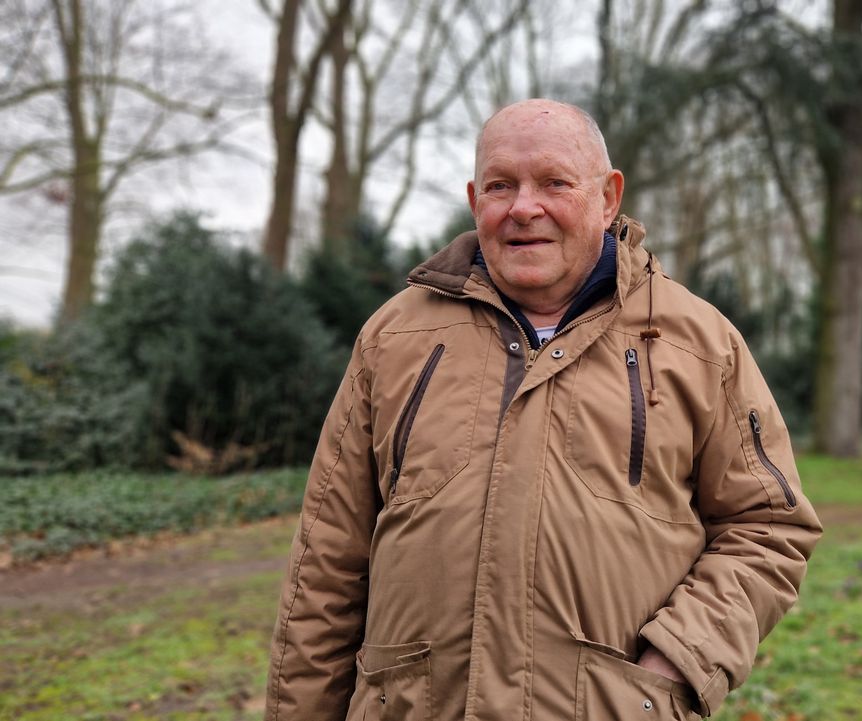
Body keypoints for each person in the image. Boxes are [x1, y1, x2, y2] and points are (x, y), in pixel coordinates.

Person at [265, 99, 822, 721]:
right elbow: (326, 563)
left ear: (608, 198)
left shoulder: (698, 344)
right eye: (501, 186)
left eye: (554, 183)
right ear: (477, 200)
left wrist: (674, 664)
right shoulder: (395, 338)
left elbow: (769, 527)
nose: (523, 207)